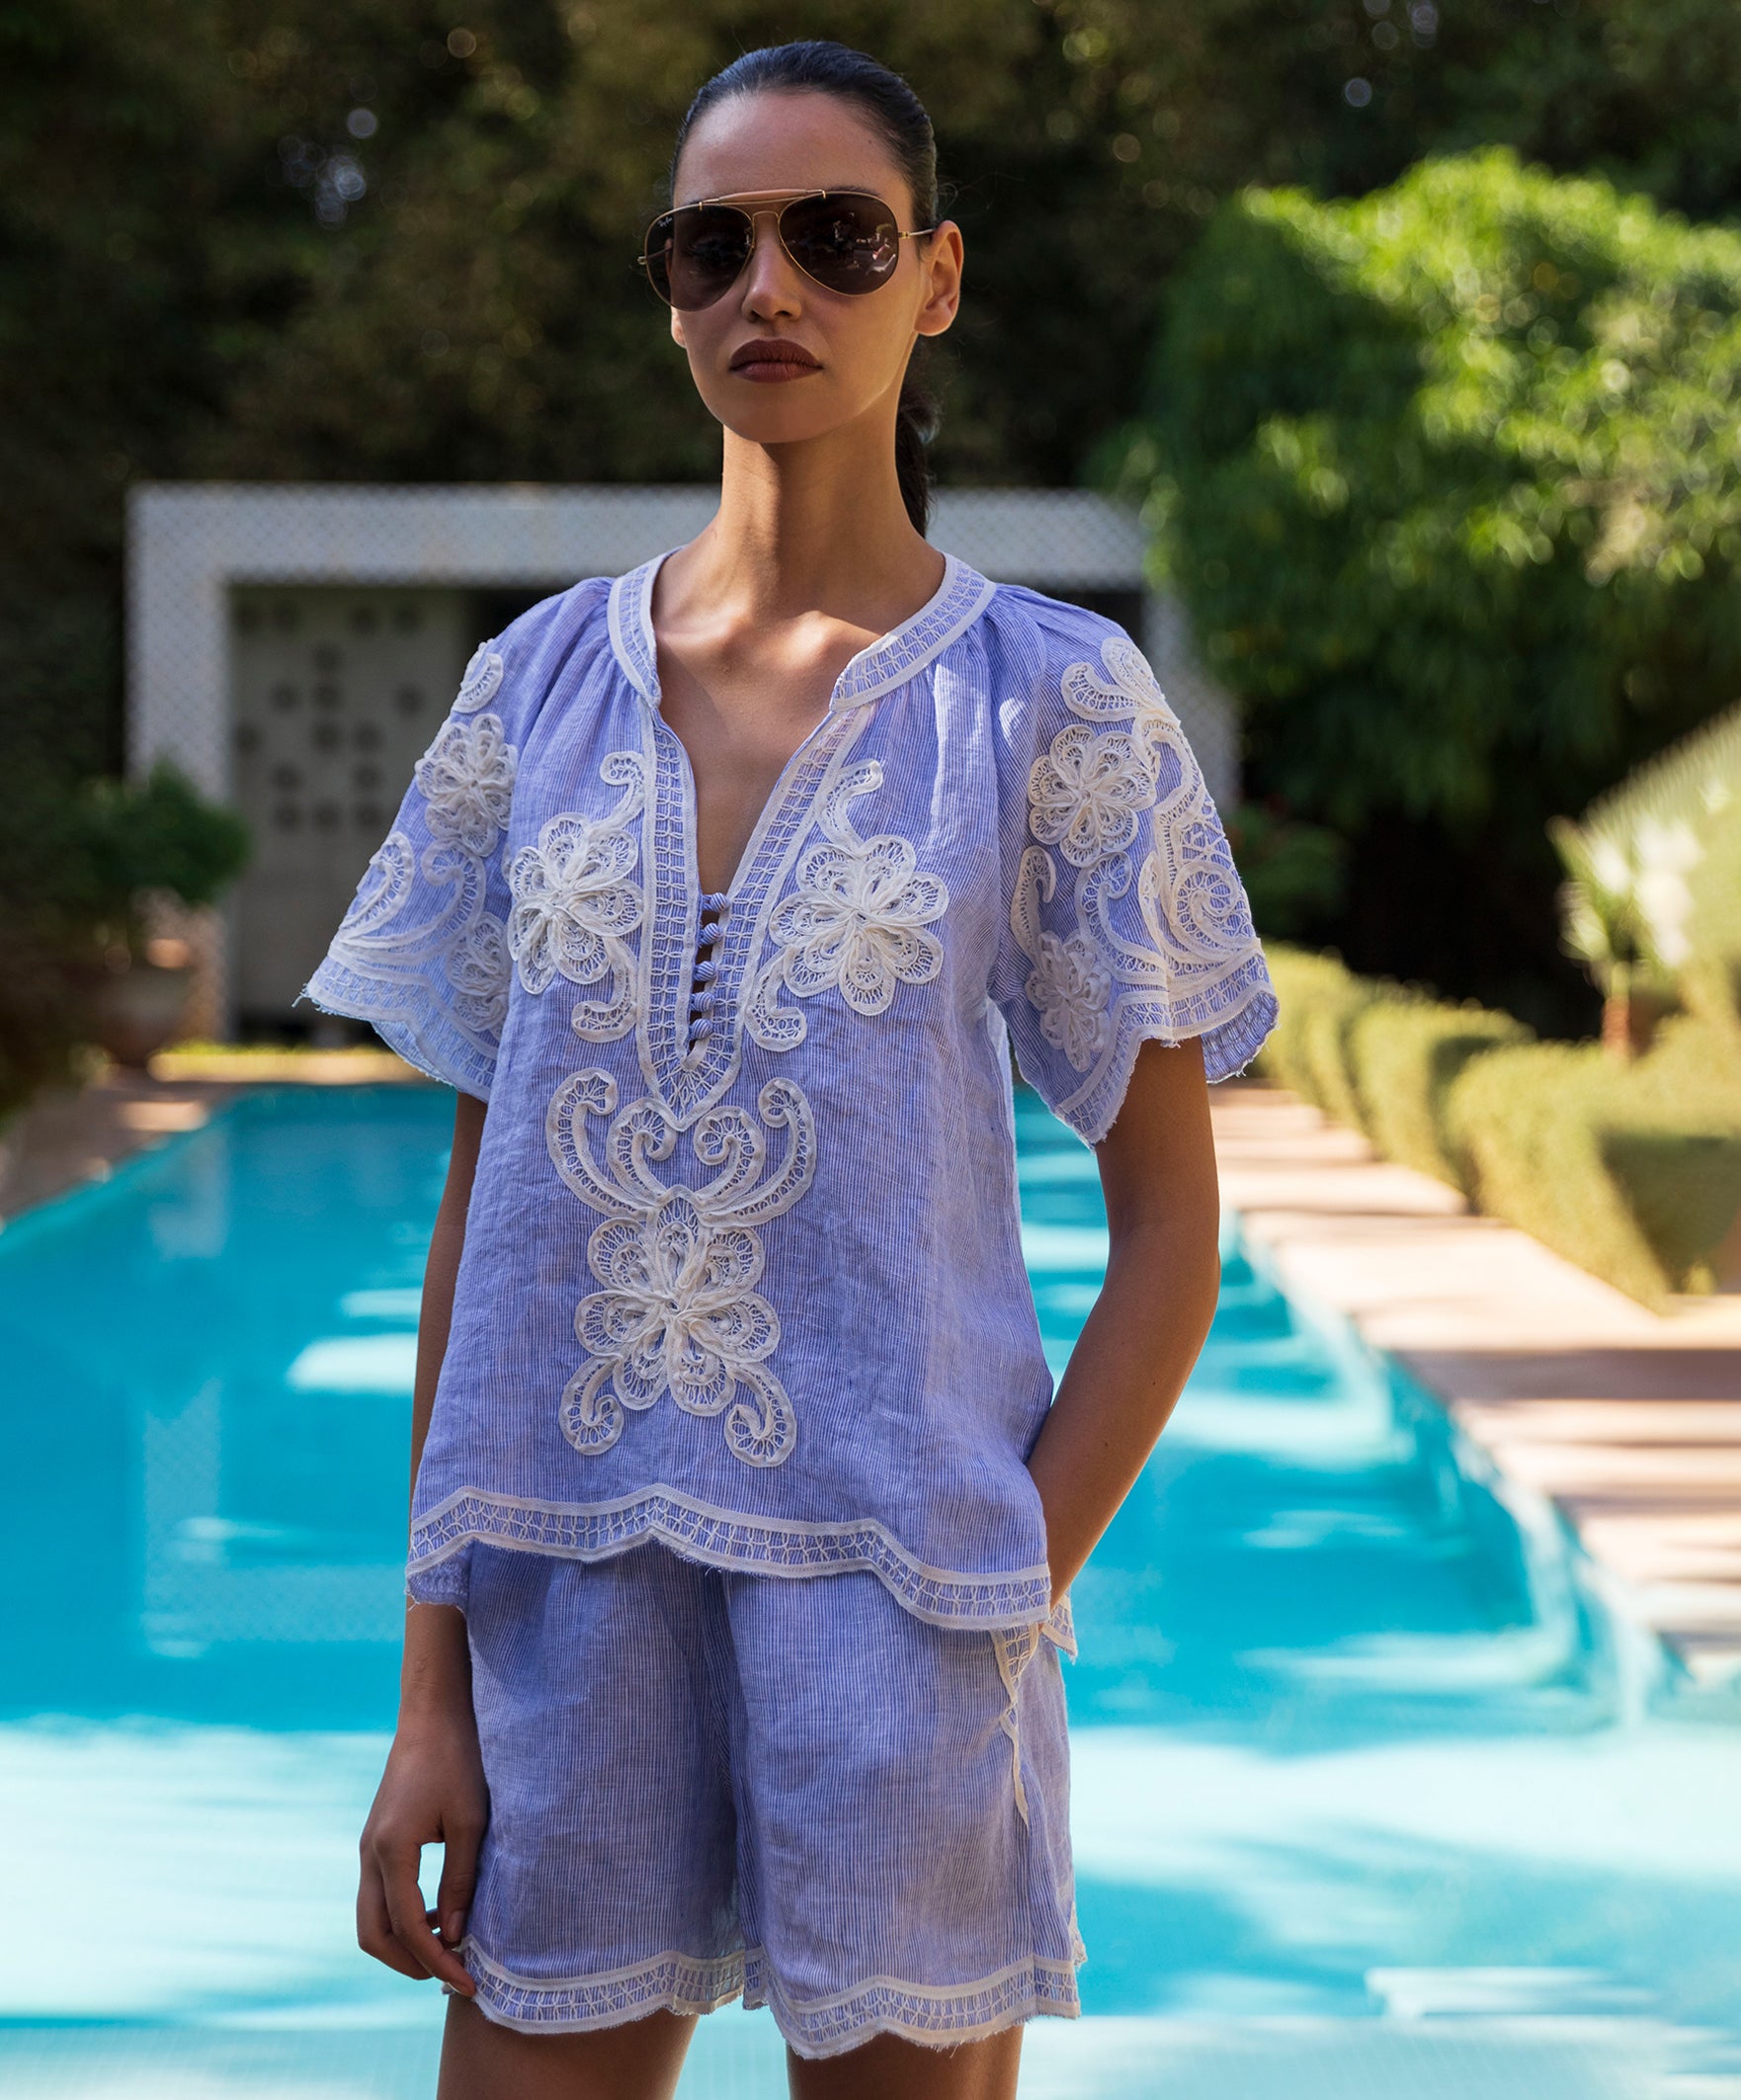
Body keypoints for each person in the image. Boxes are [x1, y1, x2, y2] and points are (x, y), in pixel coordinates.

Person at [302, 39, 1277, 2100]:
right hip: (560, 1612)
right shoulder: (533, 693)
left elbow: (1173, 1232)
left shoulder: (1047, 703)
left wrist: (999, 1591)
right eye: (711, 245)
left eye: (834, 237)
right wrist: (427, 1691)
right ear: (667, 290)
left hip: (902, 1615)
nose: (770, 289)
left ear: (935, 278)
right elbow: (484, 1223)